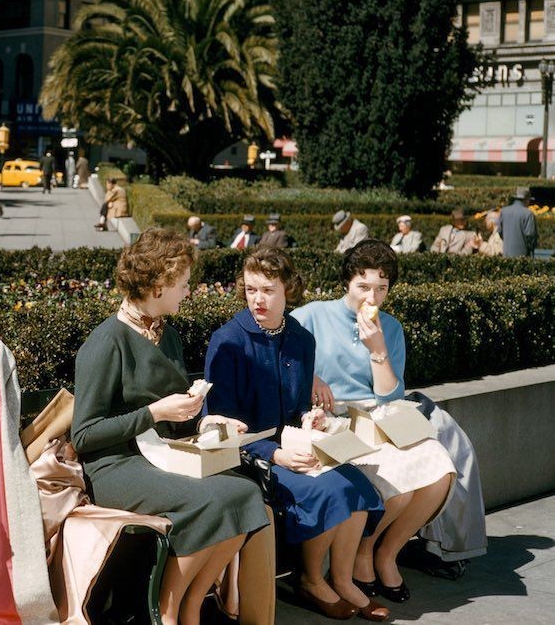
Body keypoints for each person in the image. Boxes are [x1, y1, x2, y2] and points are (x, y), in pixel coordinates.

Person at [72, 228, 274, 625]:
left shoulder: (169, 334)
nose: (187, 291)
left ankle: (192, 604)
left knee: (247, 493)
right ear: (158, 283)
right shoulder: (105, 342)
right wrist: (155, 413)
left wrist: (208, 419)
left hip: (162, 455)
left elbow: (177, 413)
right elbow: (84, 436)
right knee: (213, 501)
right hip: (116, 465)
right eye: (182, 284)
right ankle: (167, 608)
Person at [205, 248, 388, 621]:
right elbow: (220, 426)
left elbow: (297, 405)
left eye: (268, 290)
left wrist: (311, 418)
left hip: (292, 449)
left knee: (357, 482)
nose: (258, 299)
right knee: (331, 489)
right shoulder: (228, 341)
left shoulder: (301, 338)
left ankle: (341, 578)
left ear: (288, 290)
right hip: (248, 459)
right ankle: (310, 580)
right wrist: (275, 455)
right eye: (252, 289)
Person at [292, 240, 455, 606]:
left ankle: (386, 553)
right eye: (363, 286)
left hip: (377, 417)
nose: (373, 295)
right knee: (400, 489)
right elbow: (283, 356)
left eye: (381, 288)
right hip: (331, 420)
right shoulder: (312, 315)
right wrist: (311, 378)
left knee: (440, 467)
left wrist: (377, 349)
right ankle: (363, 555)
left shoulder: (390, 327)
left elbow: (389, 397)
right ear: (347, 283)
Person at [498, 187, 538, 257]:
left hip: (506, 255)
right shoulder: (528, 214)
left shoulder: (504, 211)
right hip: (523, 257)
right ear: (527, 200)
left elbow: (499, 231)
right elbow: (530, 236)